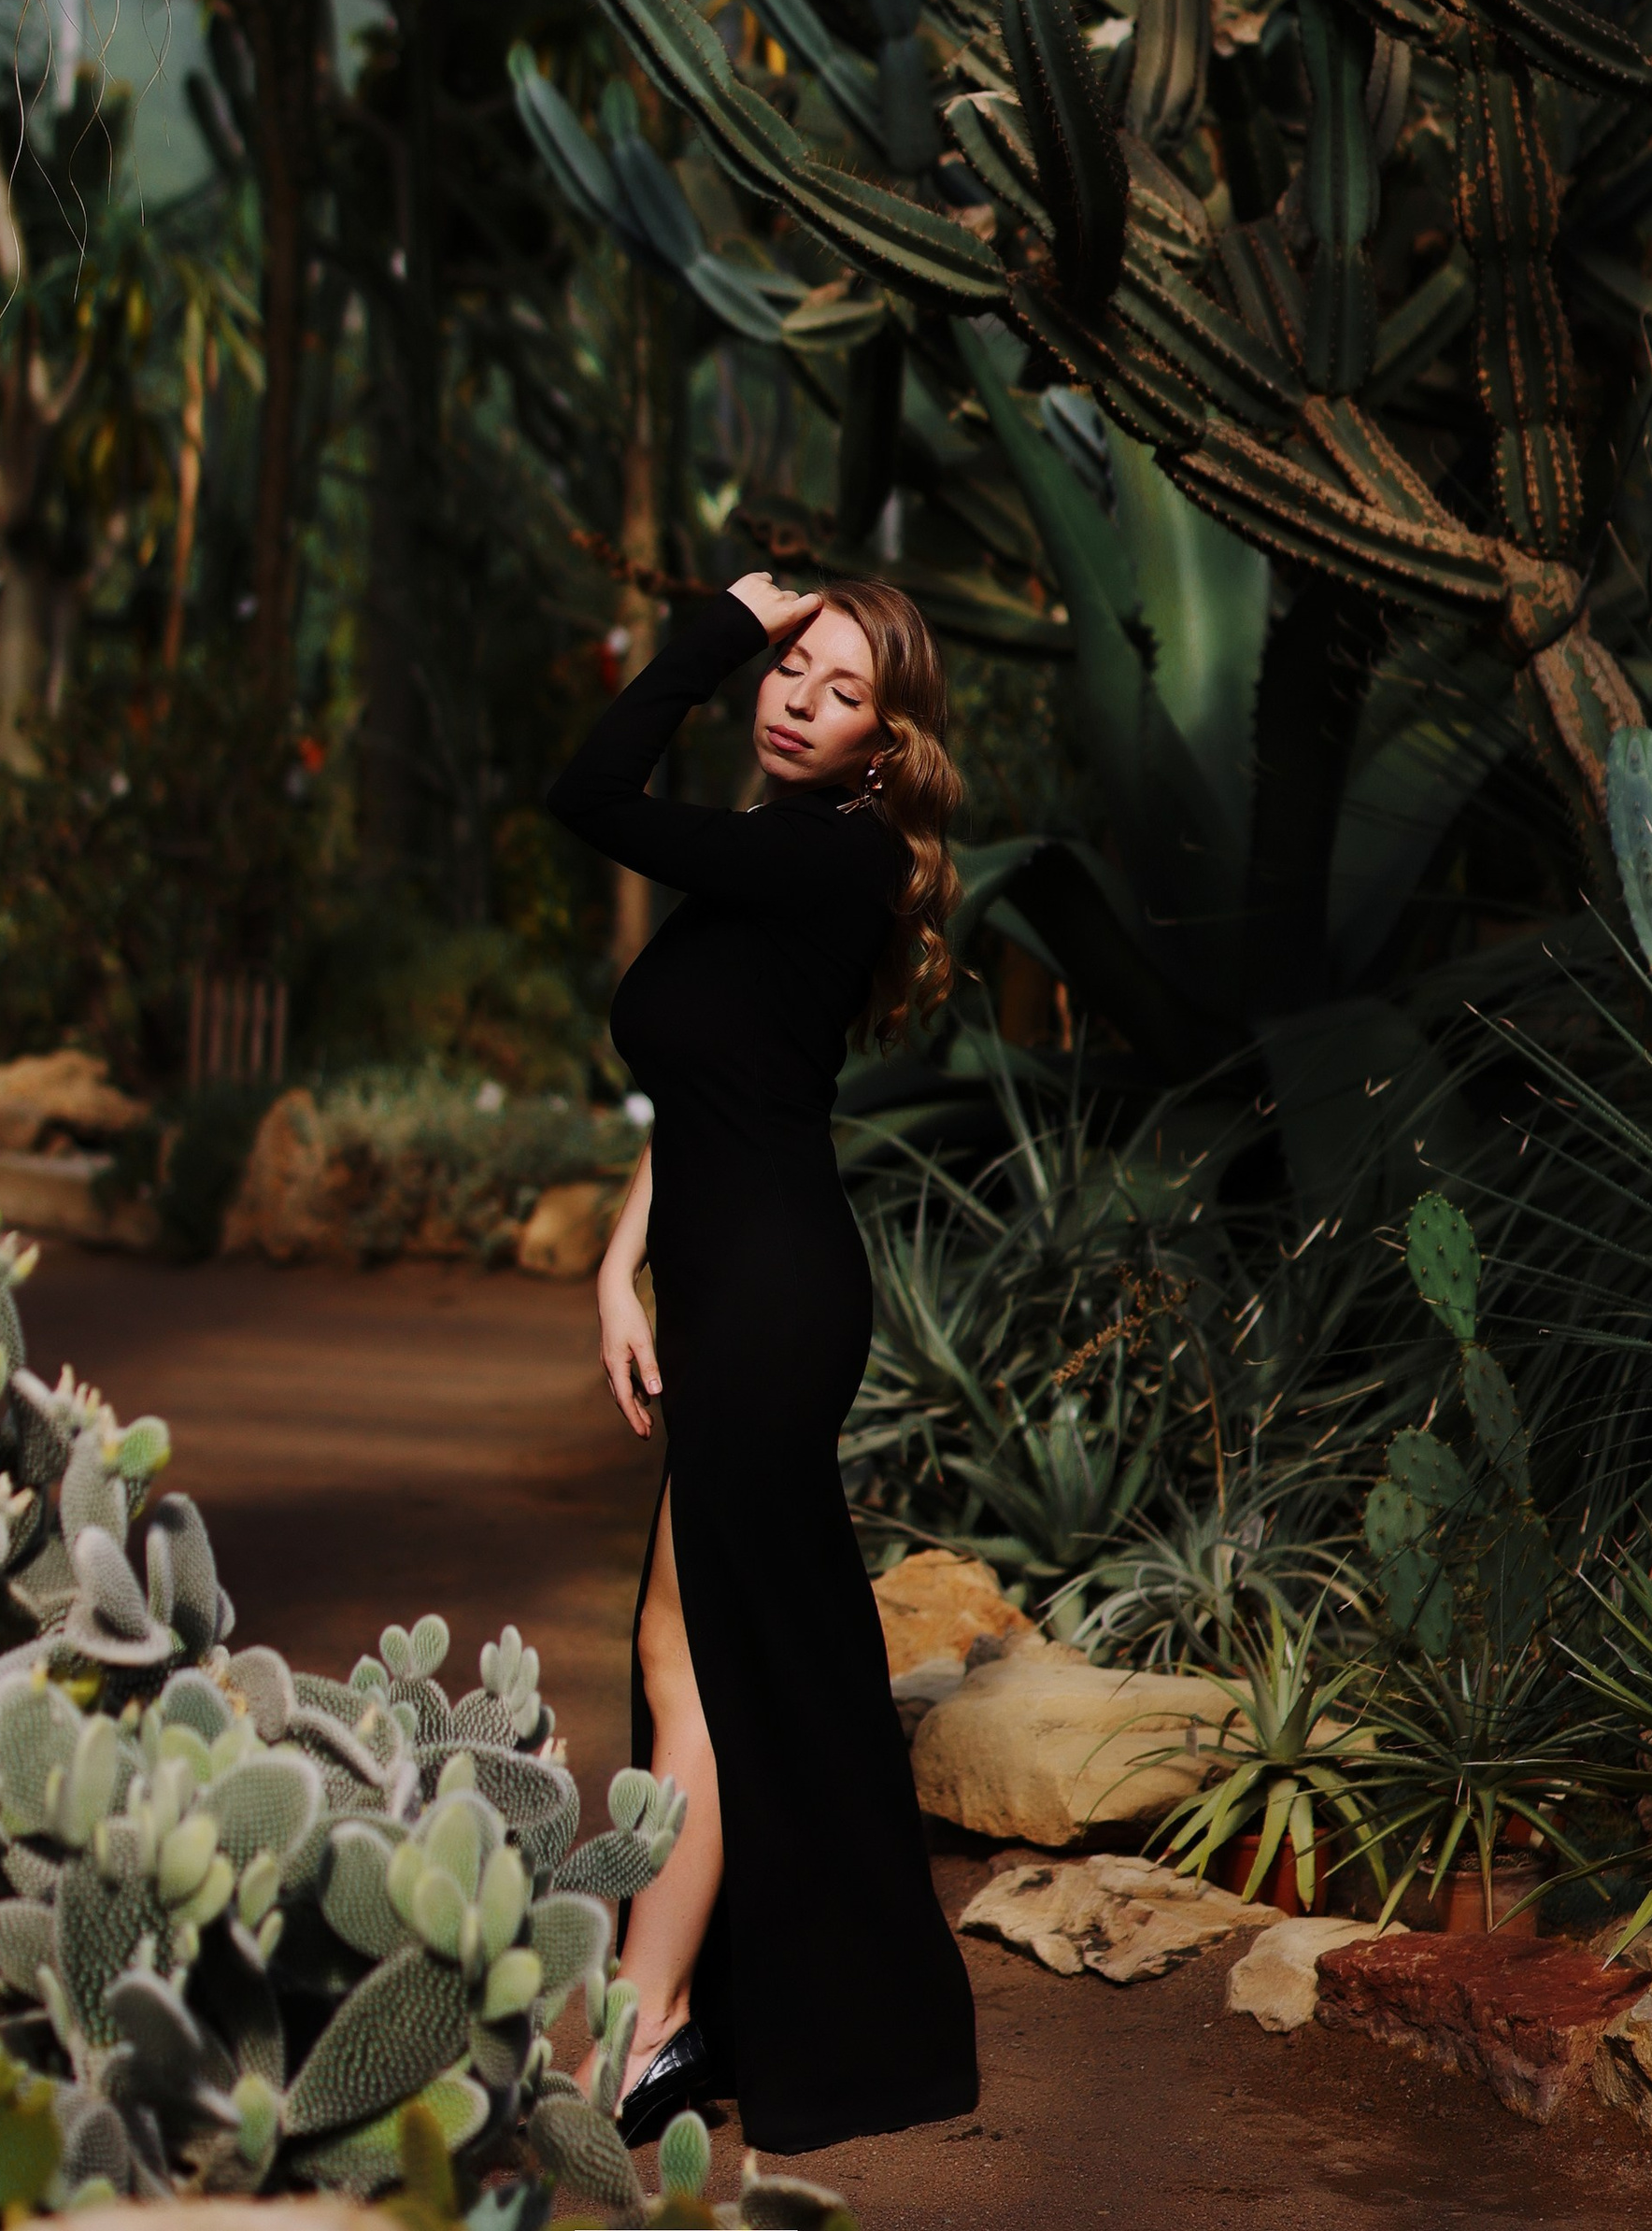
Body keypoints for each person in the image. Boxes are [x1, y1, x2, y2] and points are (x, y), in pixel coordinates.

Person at [544, 569, 980, 2157]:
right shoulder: (770, 856)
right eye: (789, 665)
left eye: (839, 686)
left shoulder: (835, 855)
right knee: (681, 1650)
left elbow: (589, 789)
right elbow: (715, 1092)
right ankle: (663, 2011)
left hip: (777, 1305)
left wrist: (721, 622)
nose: (797, 697)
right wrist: (621, 1263)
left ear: (884, 741)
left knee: (716, 1661)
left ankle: (645, 2022)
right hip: (726, 1285)